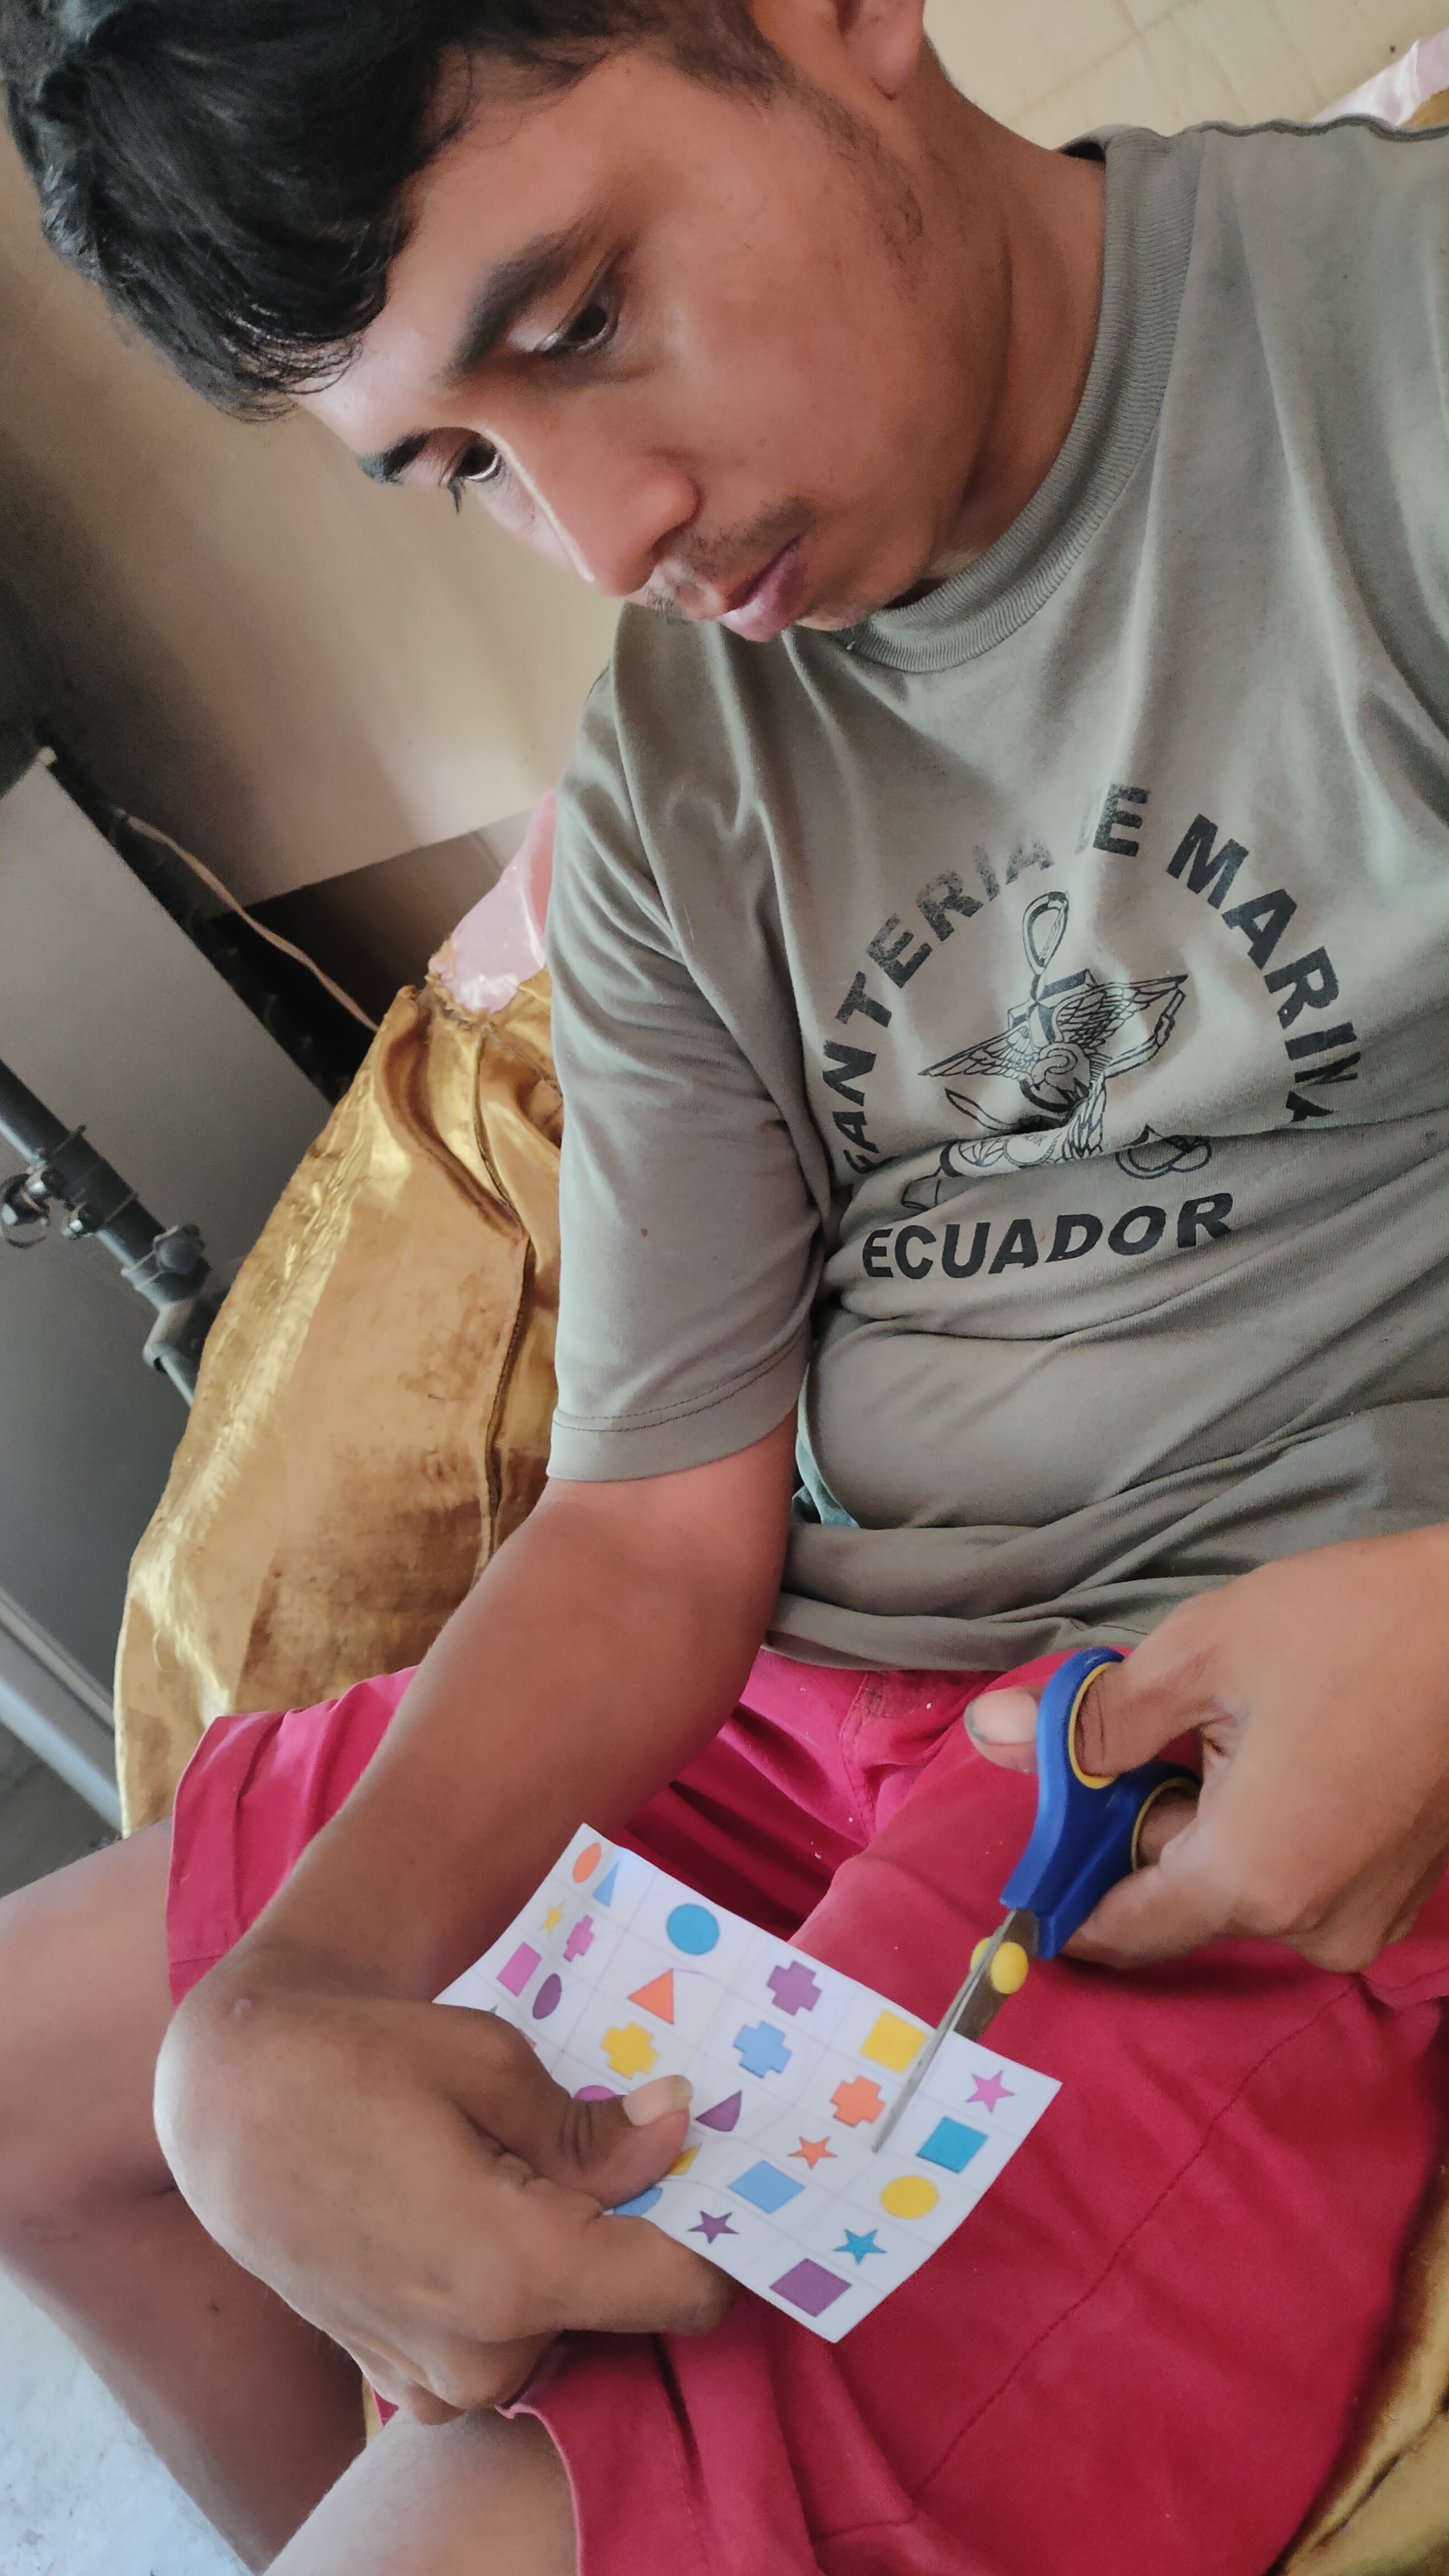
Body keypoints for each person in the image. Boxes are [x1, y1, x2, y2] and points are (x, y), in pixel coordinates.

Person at [4, 2, 1449, 2569]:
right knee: (61, 2095)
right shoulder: (683, 765)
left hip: (1161, 1762)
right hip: (784, 1682)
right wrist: (284, 2017)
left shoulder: (1392, 385)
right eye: (461, 465)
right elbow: (652, 1517)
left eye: (579, 317)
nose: (604, 536)